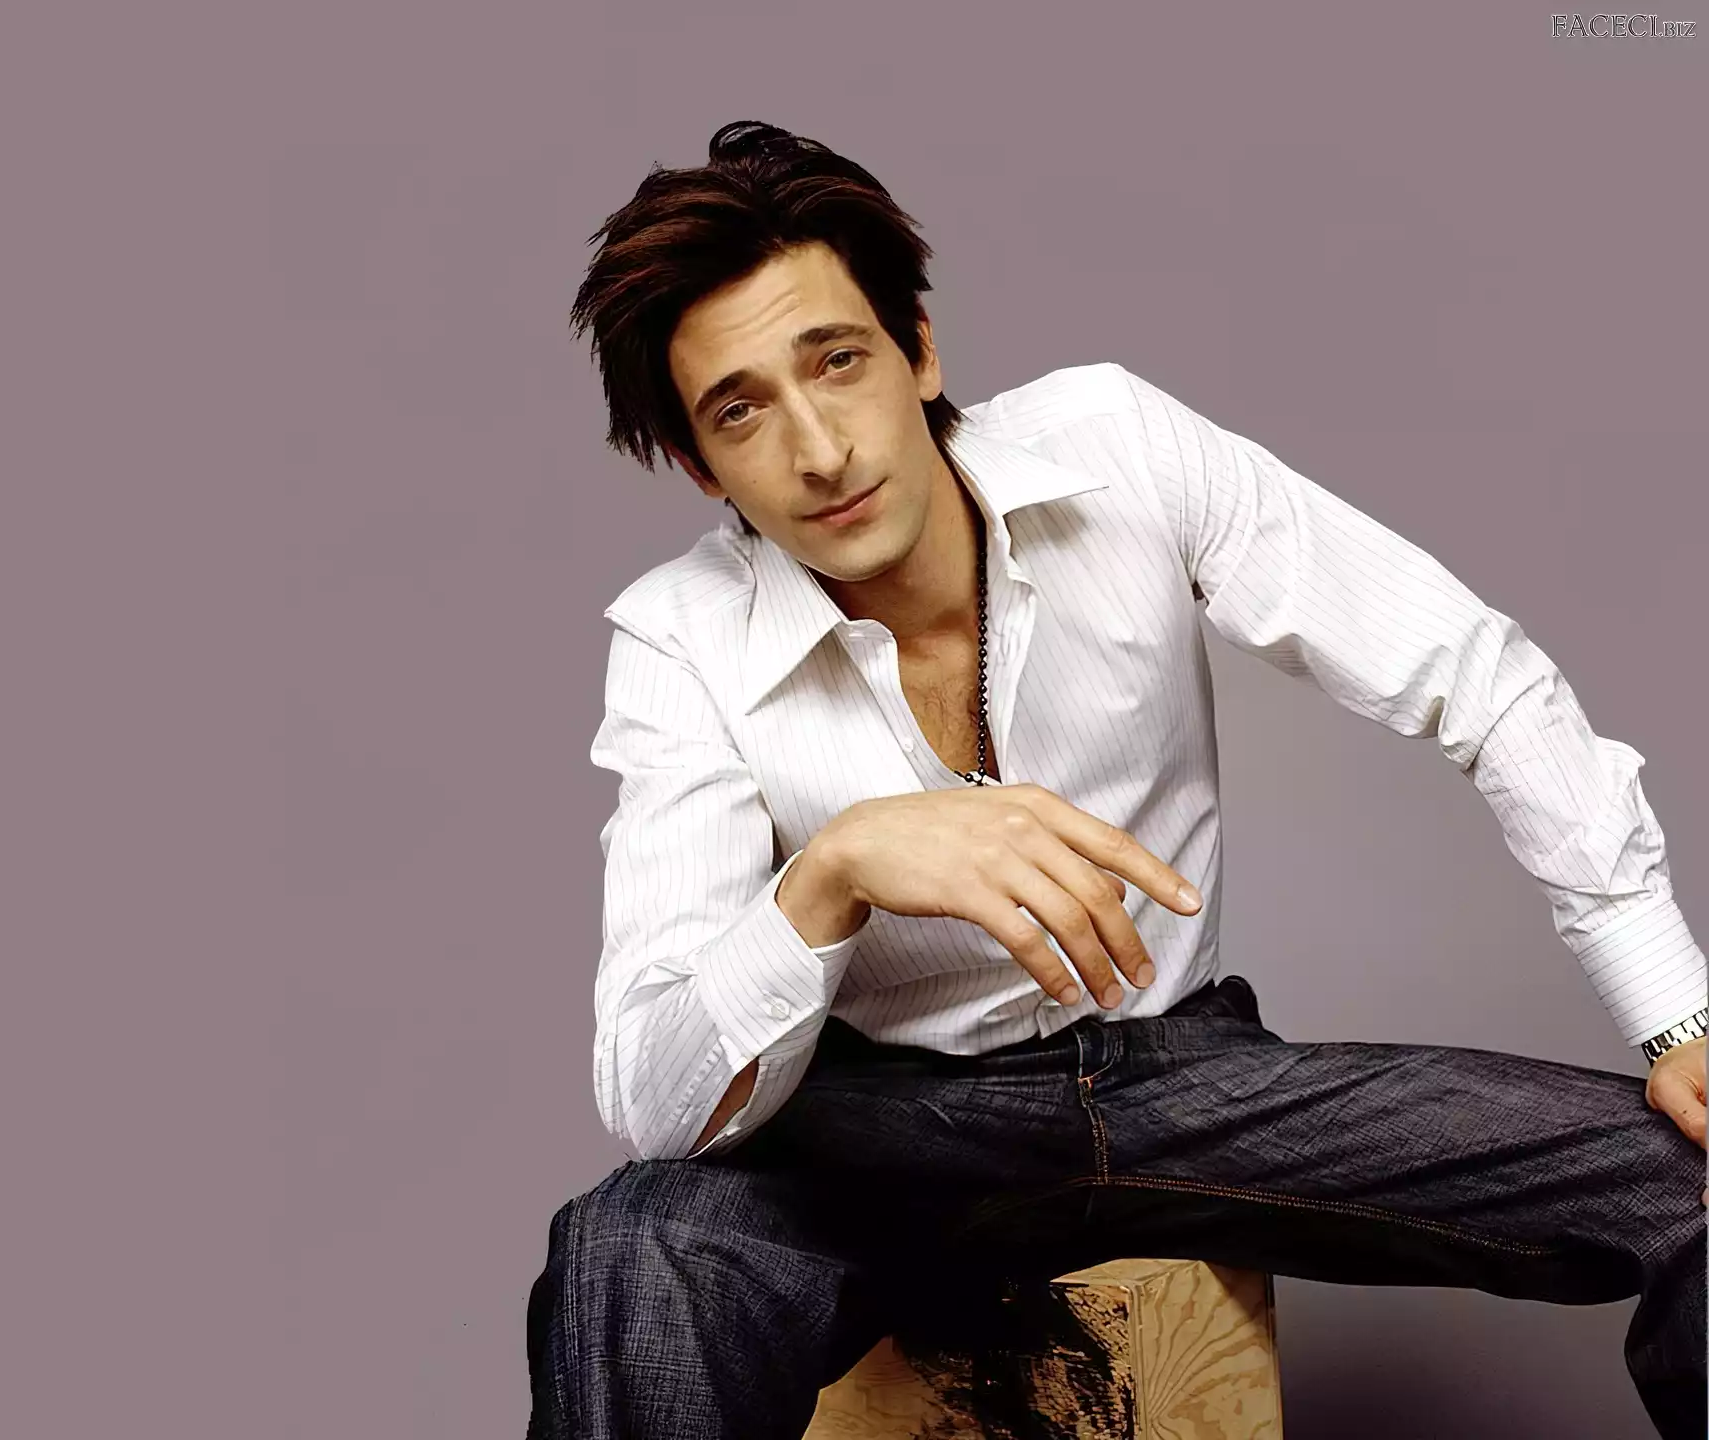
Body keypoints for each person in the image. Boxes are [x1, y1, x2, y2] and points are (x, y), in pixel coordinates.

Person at [523, 120, 1708, 1438]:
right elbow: (656, 1099)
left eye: (838, 361)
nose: (818, 450)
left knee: (1699, 1190)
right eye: (741, 410)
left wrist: (1676, 1017)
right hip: (874, 1137)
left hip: (1184, 1083)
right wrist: (830, 873)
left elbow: (1475, 673)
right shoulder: (681, 638)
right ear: (700, 465)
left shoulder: (1119, 447)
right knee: (637, 1243)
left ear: (919, 350)